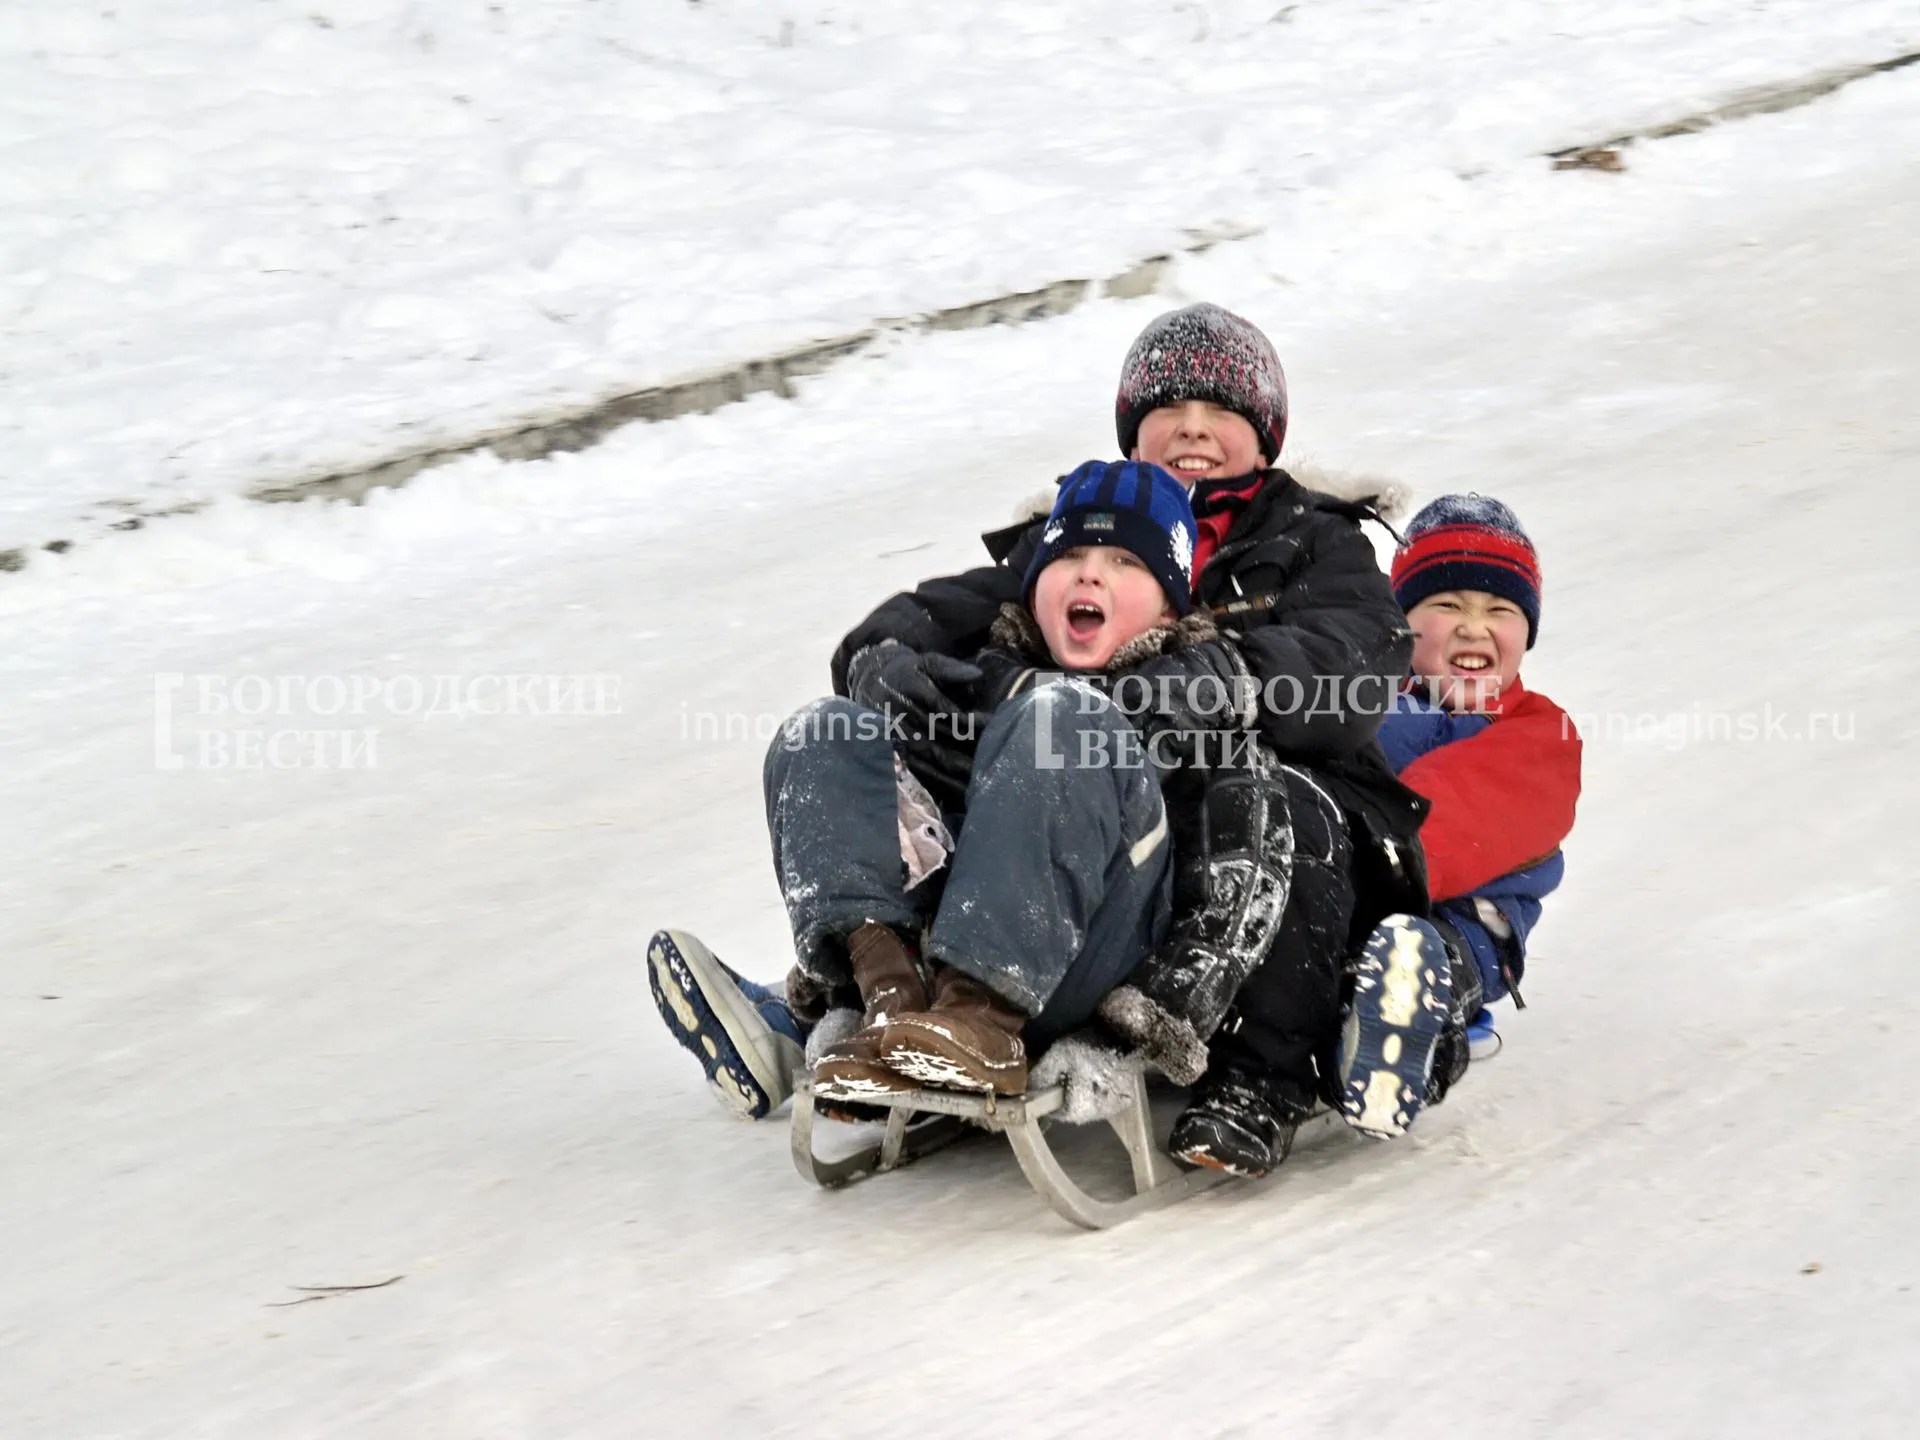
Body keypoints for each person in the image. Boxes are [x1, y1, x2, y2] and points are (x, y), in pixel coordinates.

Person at [654, 303, 1429, 1180]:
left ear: (1267, 439)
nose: (1193, 431)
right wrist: (887, 664)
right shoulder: (1072, 531)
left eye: (1222, 416)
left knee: (1102, 742)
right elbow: (935, 612)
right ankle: (865, 998)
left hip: (1238, 821)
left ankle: (1279, 1061)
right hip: (1059, 829)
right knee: (841, 735)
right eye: (1169, 413)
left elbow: (1357, 660)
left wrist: (1222, 681)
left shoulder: (1313, 542)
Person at [1336, 494, 1583, 1135]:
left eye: (1499, 610)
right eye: (1447, 606)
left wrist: (1368, 872)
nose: (1473, 627)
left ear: (1526, 633)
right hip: (1338, 901)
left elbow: (1475, 814)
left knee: (1436, 953)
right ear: (1401, 623)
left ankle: (1410, 1039)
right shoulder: (1354, 702)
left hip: (1462, 921)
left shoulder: (1542, 732)